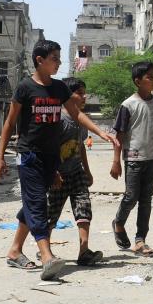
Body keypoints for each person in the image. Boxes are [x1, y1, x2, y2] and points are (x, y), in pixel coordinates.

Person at [0, 39, 118, 281]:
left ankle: (14, 250)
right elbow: (9, 123)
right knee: (38, 203)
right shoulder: (25, 88)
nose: (59, 63)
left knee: (32, 203)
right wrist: (0, 157)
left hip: (52, 158)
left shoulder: (59, 88)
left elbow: (77, 114)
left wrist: (101, 133)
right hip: (29, 155)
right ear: (39, 60)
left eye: (60, 59)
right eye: (55, 59)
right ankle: (47, 256)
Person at [111, 61, 153, 256]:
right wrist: (116, 161)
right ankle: (118, 222)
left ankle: (140, 239)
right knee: (131, 196)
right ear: (137, 81)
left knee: (146, 200)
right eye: (149, 77)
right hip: (133, 158)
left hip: (152, 157)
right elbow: (119, 134)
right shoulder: (128, 105)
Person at [45, 78, 102, 266]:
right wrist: (53, 172)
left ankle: (84, 251)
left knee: (83, 208)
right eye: (79, 93)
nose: (84, 96)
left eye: (84, 92)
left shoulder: (80, 121)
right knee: (51, 214)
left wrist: (87, 170)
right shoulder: (59, 120)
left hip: (77, 173)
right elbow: (49, 147)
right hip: (58, 175)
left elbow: (81, 147)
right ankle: (45, 252)